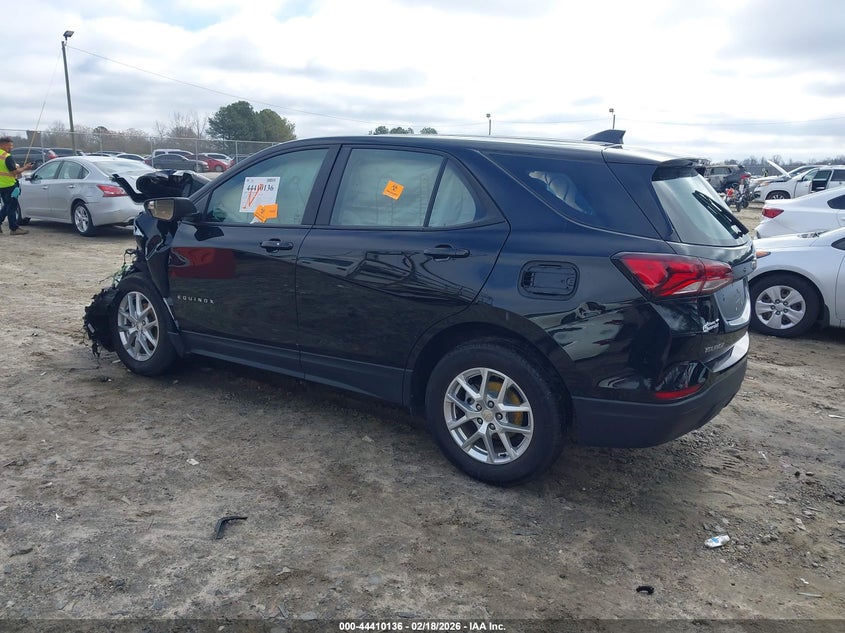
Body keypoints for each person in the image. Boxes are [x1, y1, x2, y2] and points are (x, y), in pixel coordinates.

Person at [0, 136, 31, 234]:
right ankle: (14, 228)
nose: (11, 147)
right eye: (9, 145)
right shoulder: (7, 156)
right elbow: (14, 172)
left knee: (6, 206)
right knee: (12, 207)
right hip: (10, 185)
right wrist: (25, 168)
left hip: (1, 186)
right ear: (3, 145)